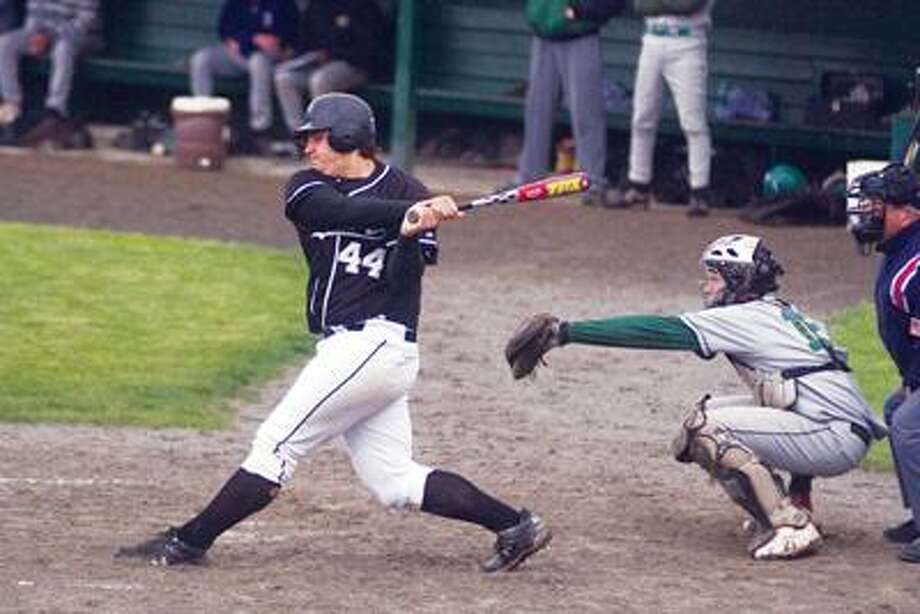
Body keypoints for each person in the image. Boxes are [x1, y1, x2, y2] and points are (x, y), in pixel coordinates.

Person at [114, 93, 552, 573]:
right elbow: (335, 214)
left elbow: (406, 278)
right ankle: (516, 526)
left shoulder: (411, 190)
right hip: (356, 352)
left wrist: (414, 231)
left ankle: (188, 542)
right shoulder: (306, 188)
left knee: (276, 447)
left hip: (374, 345)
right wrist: (402, 217)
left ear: (348, 136)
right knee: (394, 481)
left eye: (316, 137)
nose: (307, 148)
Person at [504, 233, 886, 560]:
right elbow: (800, 400)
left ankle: (789, 525)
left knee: (708, 428)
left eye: (714, 277)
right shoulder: (783, 313)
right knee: (702, 419)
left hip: (832, 437)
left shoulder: (746, 316)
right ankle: (786, 505)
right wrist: (803, 488)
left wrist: (566, 333)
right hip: (832, 426)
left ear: (738, 279)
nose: (706, 287)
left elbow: (660, 331)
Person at [846, 162, 920, 563]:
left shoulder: (916, 264)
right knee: (898, 410)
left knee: (909, 423)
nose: (866, 215)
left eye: (875, 207)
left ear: (905, 210)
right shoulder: (901, 249)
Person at [609, 0, 715, 216]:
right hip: (652, 40)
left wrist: (657, 3)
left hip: (688, 42)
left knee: (693, 122)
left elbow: (689, 5)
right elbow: (639, 6)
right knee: (642, 118)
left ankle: (699, 192)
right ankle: (638, 185)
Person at [518, 0, 625, 207]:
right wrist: (534, 15)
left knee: (586, 113)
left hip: (580, 34)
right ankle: (529, 178)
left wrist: (584, 10)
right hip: (543, 33)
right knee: (536, 111)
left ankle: (592, 182)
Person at [189, 0, 300, 155]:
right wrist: (252, 39)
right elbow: (225, 30)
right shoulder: (237, 3)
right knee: (201, 59)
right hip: (237, 55)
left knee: (258, 62)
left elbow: (288, 36)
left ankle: (260, 129)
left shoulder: (282, 4)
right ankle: (202, 121)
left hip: (269, 59)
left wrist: (278, 45)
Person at [274, 0, 388, 147]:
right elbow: (304, 39)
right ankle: (299, 138)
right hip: (317, 64)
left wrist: (333, 54)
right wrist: (301, 55)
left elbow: (369, 50)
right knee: (285, 78)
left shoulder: (364, 6)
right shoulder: (317, 5)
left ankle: (325, 139)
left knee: (320, 80)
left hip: (355, 65)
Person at [0, 0, 102, 145]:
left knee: (63, 49)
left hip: (80, 36)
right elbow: (34, 12)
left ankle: (55, 112)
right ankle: (12, 108)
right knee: (5, 44)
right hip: (42, 34)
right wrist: (36, 35)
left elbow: (86, 21)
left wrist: (49, 36)